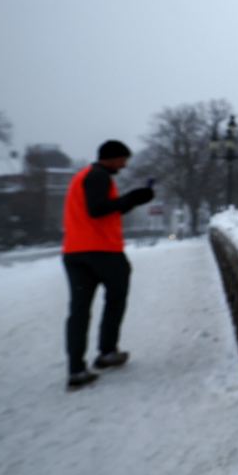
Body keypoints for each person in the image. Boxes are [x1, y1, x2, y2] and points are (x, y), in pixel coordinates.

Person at [62, 139, 155, 391]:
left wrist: (134, 200)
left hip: (75, 251)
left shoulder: (82, 177)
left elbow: (101, 211)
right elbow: (98, 210)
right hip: (102, 251)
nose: (124, 165)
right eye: (123, 159)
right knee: (115, 299)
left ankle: (76, 369)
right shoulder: (98, 176)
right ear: (112, 158)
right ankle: (107, 352)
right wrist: (132, 197)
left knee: (79, 310)